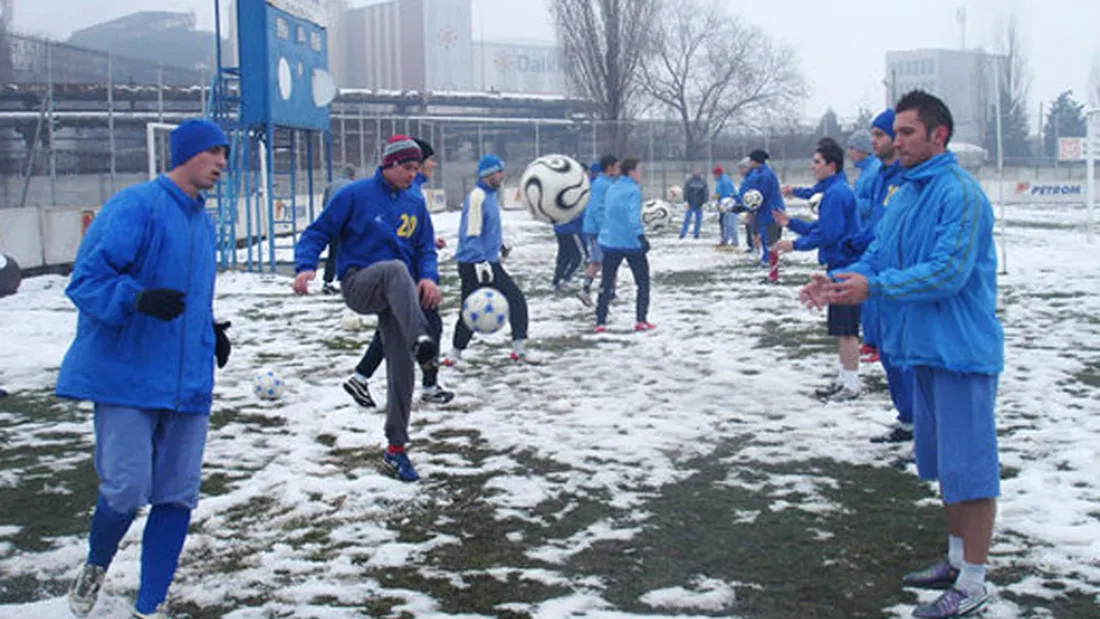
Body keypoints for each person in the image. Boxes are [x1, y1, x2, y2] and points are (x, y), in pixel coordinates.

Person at [803, 91, 1003, 619]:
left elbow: (947, 273)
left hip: (961, 353)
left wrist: (876, 288)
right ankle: (958, 561)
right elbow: (878, 251)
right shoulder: (907, 193)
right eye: (898, 131)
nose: (896, 140)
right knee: (944, 466)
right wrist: (844, 280)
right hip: (922, 351)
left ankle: (976, 584)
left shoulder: (959, 194)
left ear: (938, 136)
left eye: (908, 132)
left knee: (971, 470)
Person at [56, 118, 232, 619]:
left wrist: (209, 330)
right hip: (127, 375)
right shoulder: (135, 205)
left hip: (187, 381)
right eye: (213, 152)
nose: (222, 163)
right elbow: (86, 281)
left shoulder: (204, 221)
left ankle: (149, 605)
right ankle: (95, 564)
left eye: (225, 154)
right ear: (185, 154)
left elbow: (187, 298)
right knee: (127, 488)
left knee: (177, 495)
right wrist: (135, 299)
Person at [294, 134, 441, 483]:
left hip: (399, 295)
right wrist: (305, 266)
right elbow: (317, 232)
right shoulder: (354, 195)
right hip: (361, 283)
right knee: (394, 268)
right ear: (388, 165)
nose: (413, 174)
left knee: (401, 371)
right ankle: (422, 337)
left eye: (417, 168)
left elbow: (424, 249)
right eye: (407, 167)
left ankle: (396, 450)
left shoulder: (415, 203)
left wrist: (430, 278)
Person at [342, 138, 455, 409]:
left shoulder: (412, 190)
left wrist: (427, 245)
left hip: (409, 274)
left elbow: (415, 234)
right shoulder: (407, 190)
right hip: (402, 275)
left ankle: (362, 377)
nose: (431, 165)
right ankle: (427, 385)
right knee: (423, 327)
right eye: (428, 161)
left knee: (398, 327)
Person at [773, 138, 862, 401]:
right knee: (840, 328)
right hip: (839, 264)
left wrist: (795, 245)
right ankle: (844, 379)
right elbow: (820, 227)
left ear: (831, 165)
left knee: (847, 330)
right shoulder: (831, 190)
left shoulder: (837, 194)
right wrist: (791, 223)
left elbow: (828, 234)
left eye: (817, 162)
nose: (813, 167)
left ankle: (851, 386)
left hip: (845, 266)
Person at [848, 109, 913, 443]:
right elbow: (878, 228)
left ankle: (922, 425)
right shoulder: (881, 176)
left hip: (900, 282)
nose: (874, 142)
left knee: (907, 356)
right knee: (889, 352)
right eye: (871, 135)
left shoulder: (909, 179)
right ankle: (907, 419)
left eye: (879, 135)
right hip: (878, 272)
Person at [444, 155, 531, 364]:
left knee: (474, 305)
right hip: (476, 263)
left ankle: (455, 354)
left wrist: (499, 244)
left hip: (485, 260)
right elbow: (471, 232)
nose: (502, 175)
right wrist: (481, 261)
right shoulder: (477, 196)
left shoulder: (490, 196)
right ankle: (517, 349)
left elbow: (486, 229)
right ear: (489, 174)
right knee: (512, 300)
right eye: (499, 171)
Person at [594, 157, 653, 333]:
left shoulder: (612, 187)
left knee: (606, 282)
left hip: (611, 243)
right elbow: (633, 216)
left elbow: (606, 211)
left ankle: (600, 321)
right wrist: (641, 236)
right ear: (631, 172)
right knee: (643, 283)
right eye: (639, 170)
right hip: (631, 243)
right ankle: (641, 320)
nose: (641, 174)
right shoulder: (633, 190)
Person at [741, 149, 786, 279]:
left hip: (771, 212)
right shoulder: (763, 173)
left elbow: (760, 195)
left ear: (756, 161)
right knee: (767, 239)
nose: (749, 163)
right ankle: (769, 263)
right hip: (767, 212)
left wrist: (749, 205)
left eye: (751, 160)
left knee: (769, 241)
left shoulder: (765, 176)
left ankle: (770, 265)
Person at [580, 155, 619, 303]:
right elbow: (597, 209)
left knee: (597, 262)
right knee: (610, 262)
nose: (617, 169)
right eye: (616, 166)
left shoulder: (604, 183)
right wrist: (606, 228)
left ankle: (586, 290)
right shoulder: (602, 184)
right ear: (609, 167)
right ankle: (610, 293)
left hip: (596, 229)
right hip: (598, 230)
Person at [321, 164, 358, 295]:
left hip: (333, 223)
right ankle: (348, 281)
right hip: (348, 224)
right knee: (351, 252)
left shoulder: (331, 185)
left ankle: (327, 281)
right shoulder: (353, 186)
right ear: (352, 175)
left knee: (333, 252)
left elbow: (324, 204)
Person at [846, 128, 882, 230]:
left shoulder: (875, 171)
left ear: (862, 149)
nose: (848, 153)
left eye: (851, 148)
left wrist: (848, 201)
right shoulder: (865, 171)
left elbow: (874, 206)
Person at [712, 165, 738, 247]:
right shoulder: (727, 180)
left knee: (727, 223)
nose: (714, 176)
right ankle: (729, 240)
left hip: (726, 205)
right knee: (728, 223)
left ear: (718, 174)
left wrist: (714, 199)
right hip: (731, 203)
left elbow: (718, 194)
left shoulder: (721, 181)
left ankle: (730, 241)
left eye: (714, 174)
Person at [679, 169, 708, 239]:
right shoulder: (689, 181)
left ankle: (696, 234)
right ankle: (683, 233)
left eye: (698, 173)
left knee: (698, 220)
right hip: (690, 204)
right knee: (687, 219)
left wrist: (705, 202)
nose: (697, 174)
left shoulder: (703, 181)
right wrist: (685, 201)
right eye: (695, 173)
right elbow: (686, 191)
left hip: (699, 205)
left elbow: (706, 193)